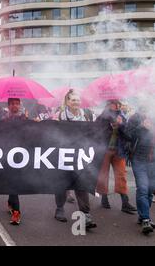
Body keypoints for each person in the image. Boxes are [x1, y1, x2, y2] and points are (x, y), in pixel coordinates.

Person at [53, 90, 97, 229]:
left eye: (78, 100)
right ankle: (59, 208)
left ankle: (85, 214)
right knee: (62, 183)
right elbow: (52, 133)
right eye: (73, 100)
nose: (76, 102)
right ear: (67, 102)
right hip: (64, 154)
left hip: (81, 155)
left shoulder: (88, 115)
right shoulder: (60, 115)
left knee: (81, 184)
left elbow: (97, 130)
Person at [96, 100, 137, 214]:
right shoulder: (101, 117)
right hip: (104, 150)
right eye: (113, 103)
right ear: (108, 104)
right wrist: (109, 127)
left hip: (119, 151)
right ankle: (104, 198)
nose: (116, 106)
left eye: (117, 104)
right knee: (103, 175)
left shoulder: (122, 117)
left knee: (121, 175)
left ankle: (125, 202)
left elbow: (129, 136)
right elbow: (96, 133)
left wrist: (120, 126)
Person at [119, 108, 155, 234]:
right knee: (143, 188)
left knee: (150, 190)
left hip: (153, 162)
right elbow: (128, 135)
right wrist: (142, 127)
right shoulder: (136, 118)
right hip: (139, 160)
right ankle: (146, 219)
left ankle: (142, 216)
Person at [3, 98, 28, 226]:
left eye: (17, 104)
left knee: (14, 183)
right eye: (12, 104)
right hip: (6, 154)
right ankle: (14, 208)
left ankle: (14, 207)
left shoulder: (24, 118)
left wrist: (35, 123)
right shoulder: (3, 119)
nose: (15, 106)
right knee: (12, 183)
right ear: (8, 106)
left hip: (20, 156)